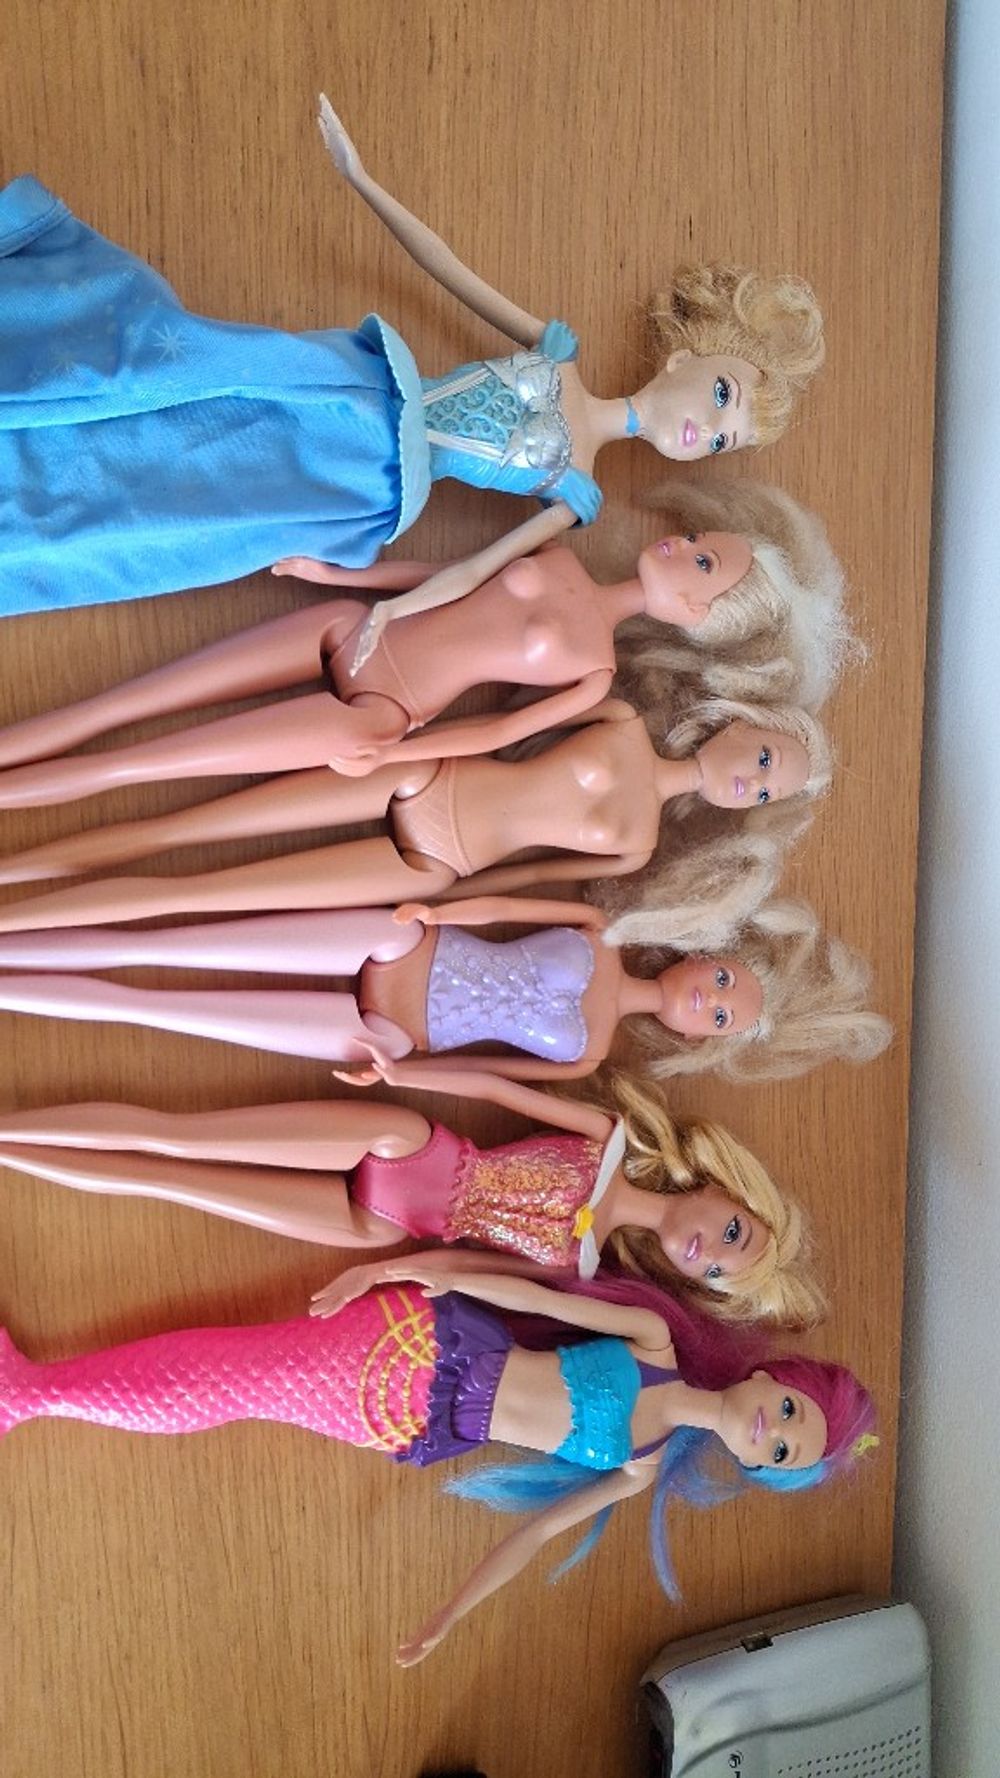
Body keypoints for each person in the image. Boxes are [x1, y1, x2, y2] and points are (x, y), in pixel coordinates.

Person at [0, 101, 823, 619]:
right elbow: (451, 270)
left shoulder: (577, 491)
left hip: (365, 486)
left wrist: (384, 610)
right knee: (202, 380)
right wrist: (363, 180)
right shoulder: (558, 356)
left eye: (724, 439)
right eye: (722, 395)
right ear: (683, 357)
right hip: (359, 390)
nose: (705, 428)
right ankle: (47, 396)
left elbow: (474, 571)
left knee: (189, 505)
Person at [0, 1263, 875, 1665]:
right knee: (241, 1362)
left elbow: (535, 1538)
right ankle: (34, 1391)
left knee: (242, 1390)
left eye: (781, 1451)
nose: (770, 1429)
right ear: (773, 1377)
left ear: (757, 1469)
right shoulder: (653, 1340)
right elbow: (530, 1295)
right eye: (789, 1411)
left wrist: (453, 1612)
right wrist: (416, 1266)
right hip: (427, 1340)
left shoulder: (638, 1468)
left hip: (410, 1417)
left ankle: (34, 1394)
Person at [0, 1065, 824, 1327]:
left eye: (718, 1270)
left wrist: (378, 1273)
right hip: (408, 1146)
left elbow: (461, 1267)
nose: (709, 1251)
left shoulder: (579, 1267)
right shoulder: (607, 1140)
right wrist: (406, 1070)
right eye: (734, 1232)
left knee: (170, 1181)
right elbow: (500, 1089)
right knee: (180, 1137)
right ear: (723, 1187)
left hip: (385, 1224)